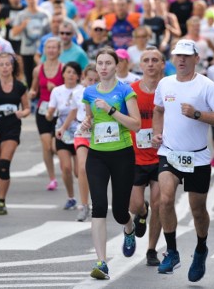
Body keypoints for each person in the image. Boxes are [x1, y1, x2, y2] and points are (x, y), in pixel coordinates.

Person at [151, 39, 214, 282]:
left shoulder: (206, 86)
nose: (182, 60)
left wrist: (198, 114)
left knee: (197, 210)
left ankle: (201, 248)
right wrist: (156, 133)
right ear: (173, 59)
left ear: (196, 58)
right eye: (178, 56)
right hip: (169, 153)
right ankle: (172, 251)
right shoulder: (165, 84)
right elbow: (158, 110)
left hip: (197, 157)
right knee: (164, 199)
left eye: (186, 55)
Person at [81, 48, 141, 280]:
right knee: (98, 206)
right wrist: (86, 124)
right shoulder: (88, 92)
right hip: (97, 155)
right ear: (96, 66)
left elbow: (136, 125)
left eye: (108, 63)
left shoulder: (126, 91)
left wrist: (112, 110)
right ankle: (101, 262)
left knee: (118, 211)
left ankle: (129, 227)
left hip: (122, 155)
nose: (103, 67)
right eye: (100, 63)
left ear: (117, 66)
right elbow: (90, 118)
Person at [129, 48, 165, 267]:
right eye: (146, 60)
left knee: (160, 203)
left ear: (162, 64)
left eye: (155, 60)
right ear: (140, 65)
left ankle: (152, 249)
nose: (150, 64)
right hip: (135, 156)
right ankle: (141, 214)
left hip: (161, 155)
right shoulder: (130, 91)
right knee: (134, 205)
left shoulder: (169, 89)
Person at [0, 52, 30, 215]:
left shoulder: (19, 86)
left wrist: (22, 113)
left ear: (13, 67)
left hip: (12, 127)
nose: (4, 67)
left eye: (7, 64)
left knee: (4, 166)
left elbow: (27, 108)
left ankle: (1, 201)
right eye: (1, 65)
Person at [46, 61, 84, 210]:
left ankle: (84, 199)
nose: (71, 75)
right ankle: (71, 197)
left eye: (74, 73)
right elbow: (50, 113)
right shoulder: (57, 91)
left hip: (80, 133)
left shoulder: (82, 90)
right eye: (68, 72)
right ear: (63, 74)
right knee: (66, 168)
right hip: (62, 133)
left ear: (79, 76)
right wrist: (49, 115)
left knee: (79, 171)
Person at [29, 38, 64, 191]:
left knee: (54, 146)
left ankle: (65, 166)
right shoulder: (38, 70)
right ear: (44, 50)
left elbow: (68, 90)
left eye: (54, 48)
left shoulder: (63, 69)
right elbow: (34, 89)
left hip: (59, 111)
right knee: (46, 145)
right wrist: (31, 93)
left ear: (59, 50)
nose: (51, 50)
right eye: (48, 47)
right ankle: (52, 178)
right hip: (42, 110)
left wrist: (55, 87)